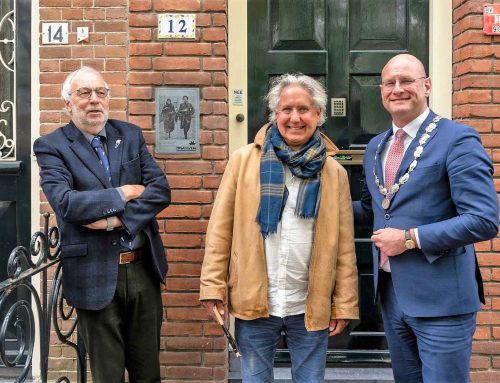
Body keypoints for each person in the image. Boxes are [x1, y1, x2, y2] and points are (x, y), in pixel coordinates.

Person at [200, 73, 359, 382]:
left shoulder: (334, 172)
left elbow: (344, 245)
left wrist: (345, 304)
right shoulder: (243, 161)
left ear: (318, 115)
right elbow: (220, 230)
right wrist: (212, 286)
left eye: (304, 110)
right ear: (275, 114)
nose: (294, 118)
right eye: (286, 109)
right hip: (256, 300)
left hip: (310, 303)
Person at [353, 54, 499, 383]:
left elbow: (483, 219)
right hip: (392, 296)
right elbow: (372, 210)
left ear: (427, 86)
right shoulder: (376, 147)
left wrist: (409, 238)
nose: (398, 89)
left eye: (407, 81)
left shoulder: (457, 139)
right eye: (390, 83)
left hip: (443, 300)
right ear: (381, 91)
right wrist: (314, 206)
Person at [33, 66, 171, 383]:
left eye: (100, 92)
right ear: (68, 104)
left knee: (148, 372)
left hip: (142, 270)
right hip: (93, 274)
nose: (94, 100)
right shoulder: (51, 146)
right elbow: (67, 203)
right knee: (107, 374)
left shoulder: (130, 135)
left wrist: (113, 220)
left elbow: (160, 191)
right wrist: (123, 193)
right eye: (84, 93)